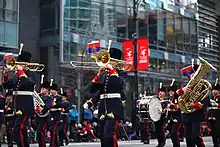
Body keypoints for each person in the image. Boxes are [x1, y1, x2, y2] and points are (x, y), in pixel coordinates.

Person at [89, 47, 127, 147]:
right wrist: (98, 74)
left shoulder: (121, 73)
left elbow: (119, 86)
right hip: (103, 109)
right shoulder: (104, 74)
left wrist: (112, 70)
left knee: (108, 135)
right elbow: (93, 90)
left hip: (113, 109)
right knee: (102, 135)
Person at [2, 51, 37, 147]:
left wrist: (21, 72)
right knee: (22, 130)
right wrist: (5, 75)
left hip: (26, 105)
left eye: (21, 62)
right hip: (17, 105)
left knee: (18, 129)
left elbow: (27, 83)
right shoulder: (17, 75)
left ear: (27, 63)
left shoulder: (32, 73)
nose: (19, 64)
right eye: (19, 62)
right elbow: (7, 86)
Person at [177, 64, 209, 147]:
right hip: (186, 114)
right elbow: (178, 98)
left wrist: (195, 105)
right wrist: (182, 90)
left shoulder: (202, 86)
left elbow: (206, 100)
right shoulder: (186, 86)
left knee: (195, 136)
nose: (192, 76)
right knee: (188, 137)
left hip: (196, 114)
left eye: (195, 73)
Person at [36, 80, 52, 147]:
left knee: (40, 132)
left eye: (43, 89)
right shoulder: (39, 97)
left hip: (45, 117)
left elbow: (47, 106)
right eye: (41, 89)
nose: (41, 90)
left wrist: (41, 108)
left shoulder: (49, 98)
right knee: (39, 133)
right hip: (38, 117)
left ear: (47, 90)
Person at [167, 80, 181, 147]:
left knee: (174, 132)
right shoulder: (169, 98)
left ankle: (177, 145)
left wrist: (173, 105)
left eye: (172, 91)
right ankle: (174, 144)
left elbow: (179, 107)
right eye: (169, 91)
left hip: (177, 117)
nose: (170, 92)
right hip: (170, 118)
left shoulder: (177, 97)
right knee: (171, 132)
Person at [49, 82, 62, 147]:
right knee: (53, 131)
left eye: (52, 90)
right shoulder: (49, 97)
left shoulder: (59, 97)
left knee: (53, 129)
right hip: (50, 115)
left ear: (55, 90)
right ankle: (57, 144)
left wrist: (53, 105)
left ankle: (52, 144)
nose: (51, 91)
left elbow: (60, 105)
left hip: (56, 115)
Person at [207, 81, 220, 147]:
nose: (214, 91)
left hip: (218, 118)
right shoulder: (211, 98)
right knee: (214, 135)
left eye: (216, 90)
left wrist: (217, 104)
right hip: (212, 118)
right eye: (213, 90)